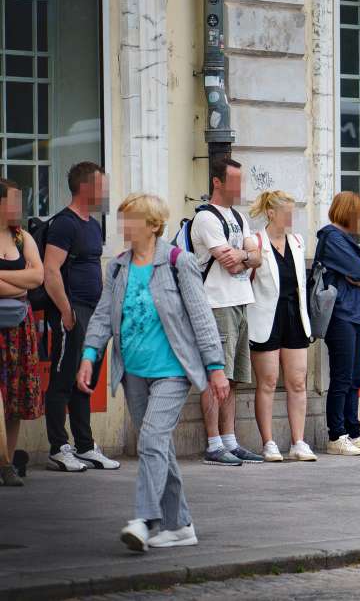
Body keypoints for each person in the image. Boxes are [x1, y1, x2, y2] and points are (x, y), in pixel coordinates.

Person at [76, 193, 228, 551]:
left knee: (150, 441)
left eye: (130, 219)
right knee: (158, 447)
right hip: (134, 374)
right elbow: (102, 315)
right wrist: (89, 355)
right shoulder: (118, 266)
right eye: (122, 218)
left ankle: (146, 520)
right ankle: (180, 525)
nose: (123, 226)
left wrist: (216, 368)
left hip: (172, 372)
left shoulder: (178, 262)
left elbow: (202, 318)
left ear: (151, 224)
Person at [41, 162, 119, 472]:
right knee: (62, 380)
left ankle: (85, 447)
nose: (107, 192)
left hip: (94, 312)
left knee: (83, 381)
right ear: (86, 188)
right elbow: (50, 271)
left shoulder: (92, 224)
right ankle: (59, 447)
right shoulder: (64, 224)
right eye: (102, 186)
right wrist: (66, 312)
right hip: (71, 311)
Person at [191, 158, 263, 465]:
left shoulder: (238, 216)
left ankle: (230, 440)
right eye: (234, 181)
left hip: (240, 300)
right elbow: (228, 261)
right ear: (217, 182)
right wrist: (246, 255)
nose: (239, 187)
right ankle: (213, 443)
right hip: (216, 302)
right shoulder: (206, 218)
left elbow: (257, 258)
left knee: (232, 377)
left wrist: (244, 254)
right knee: (215, 375)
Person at [246, 191, 315, 463]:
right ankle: (268, 442)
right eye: (286, 211)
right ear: (271, 213)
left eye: (293, 211)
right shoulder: (255, 241)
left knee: (298, 381)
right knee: (268, 381)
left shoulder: (297, 242)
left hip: (295, 317)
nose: (291, 217)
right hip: (266, 318)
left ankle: (298, 442)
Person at [316, 192, 360, 456]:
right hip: (341, 314)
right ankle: (337, 435)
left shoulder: (345, 240)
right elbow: (358, 271)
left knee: (355, 377)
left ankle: (353, 432)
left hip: (356, 313)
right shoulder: (332, 237)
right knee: (343, 377)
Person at [0, 179, 44, 486]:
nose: (20, 207)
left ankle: (7, 462)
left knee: (15, 399)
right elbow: (28, 279)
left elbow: (39, 276)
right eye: (15, 200)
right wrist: (20, 282)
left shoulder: (21, 237)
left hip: (18, 327)